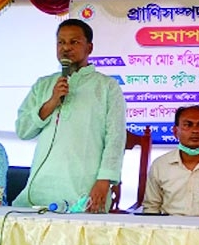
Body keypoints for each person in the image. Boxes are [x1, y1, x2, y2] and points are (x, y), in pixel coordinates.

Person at [13, 18, 126, 213]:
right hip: (40, 189)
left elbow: (115, 138)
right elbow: (23, 130)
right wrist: (51, 102)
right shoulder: (44, 85)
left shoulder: (107, 86)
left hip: (85, 188)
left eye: (74, 42)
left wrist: (104, 180)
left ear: (89, 48)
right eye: (61, 42)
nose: (66, 48)